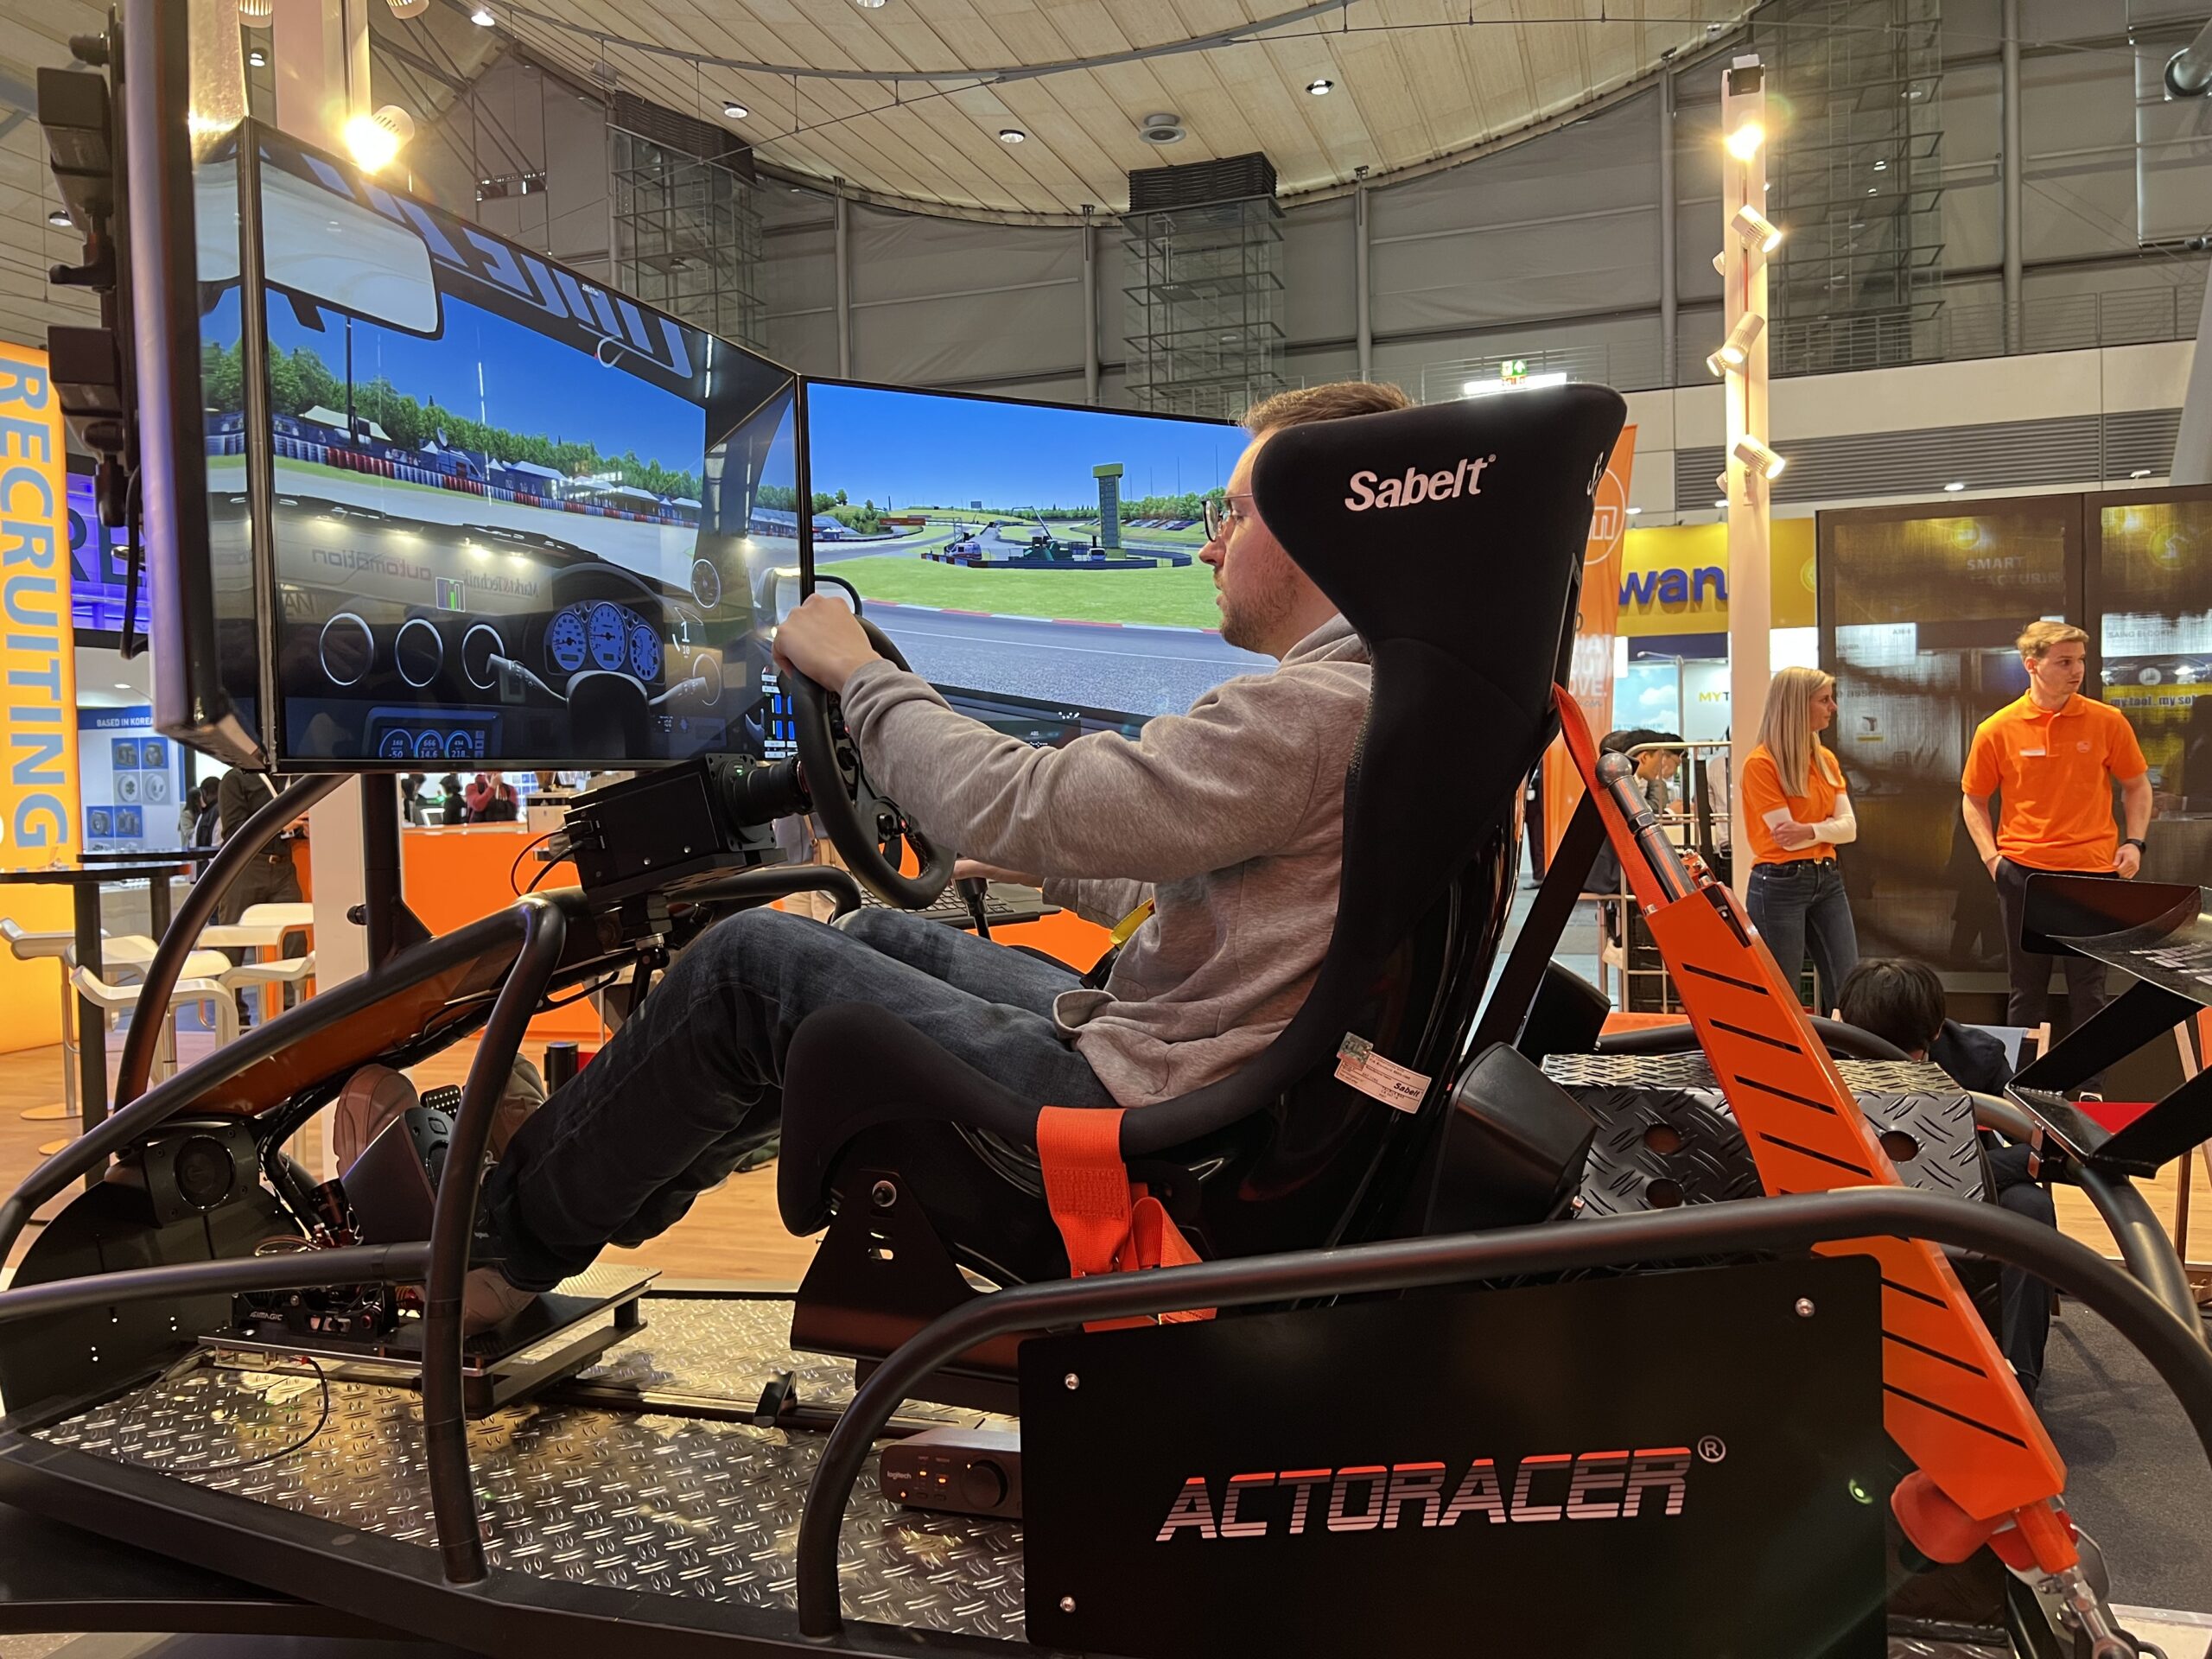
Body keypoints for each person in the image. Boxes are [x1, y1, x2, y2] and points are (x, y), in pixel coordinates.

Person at [442, 380, 1409, 1331]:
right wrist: (1014, 860)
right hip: (1194, 1076)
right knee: (870, 933)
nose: (1208, 542)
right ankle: (573, 1187)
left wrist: (859, 675)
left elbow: (1027, 801)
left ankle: (496, 1250)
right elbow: (1209, 890)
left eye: (1231, 514)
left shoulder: (1311, 712)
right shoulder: (1381, 702)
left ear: (1323, 524)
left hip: (1149, 1118)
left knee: (747, 969)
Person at [1836, 957, 2052, 1402]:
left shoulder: (1978, 1056)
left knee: (2031, 1208)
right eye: (1873, 1055)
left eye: (1906, 1056)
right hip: (1855, 1191)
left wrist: (1963, 1170)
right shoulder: (1824, 1054)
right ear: (1847, 1027)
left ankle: (2019, 1387)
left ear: (1935, 1033)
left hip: (1966, 1195)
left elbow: (2041, 1143)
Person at [1961, 620, 2152, 1039]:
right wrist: (1993, 860)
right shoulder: (1997, 729)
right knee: (2026, 991)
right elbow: (1973, 799)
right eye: (2064, 662)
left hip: (2093, 872)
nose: (2077, 670)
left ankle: (2090, 1076)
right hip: (2025, 873)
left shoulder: (2107, 721)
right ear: (2032, 665)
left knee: (2090, 991)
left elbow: (2137, 785)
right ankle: (2023, 1077)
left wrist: (2135, 843)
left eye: (2080, 660)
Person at [1741, 667, 1859, 1012]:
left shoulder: (1825, 760)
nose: (1833, 707)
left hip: (1827, 877)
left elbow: (1849, 829)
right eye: (1824, 700)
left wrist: (1809, 831)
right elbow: (1786, 840)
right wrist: (1825, 828)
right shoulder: (1760, 764)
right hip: (1778, 884)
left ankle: (1846, 1047)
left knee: (1850, 985)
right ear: (1796, 705)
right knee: (1783, 996)